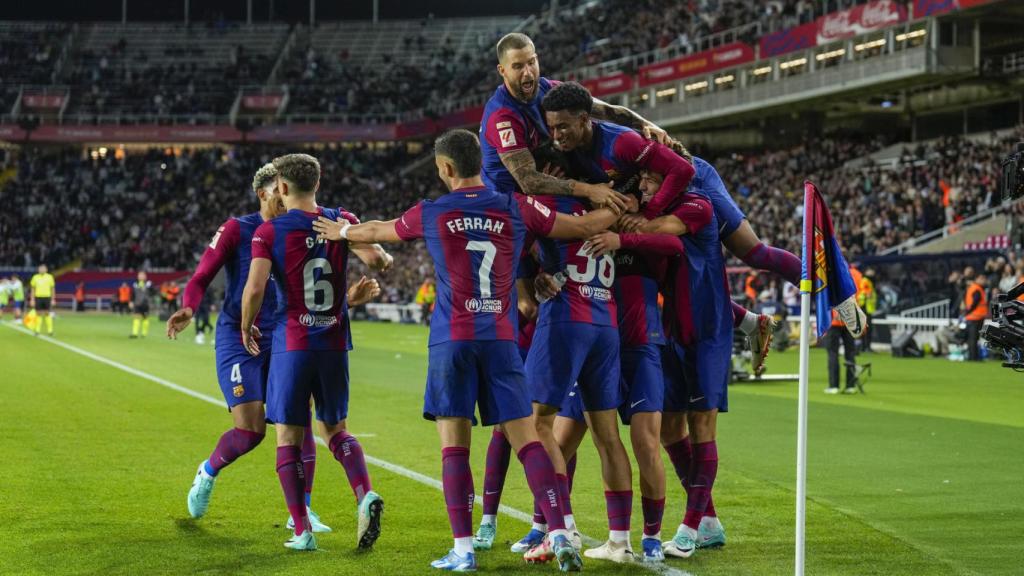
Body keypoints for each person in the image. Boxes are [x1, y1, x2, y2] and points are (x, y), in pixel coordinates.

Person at [313, 129, 626, 572]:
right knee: (528, 440)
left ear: (444, 168)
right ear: (479, 162)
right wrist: (616, 208)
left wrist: (342, 230)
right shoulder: (514, 205)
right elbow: (579, 226)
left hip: (453, 340)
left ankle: (463, 550)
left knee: (454, 448)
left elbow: (379, 230)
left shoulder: (432, 211)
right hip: (500, 338)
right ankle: (560, 532)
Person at [539, 80, 777, 373]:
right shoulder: (572, 151)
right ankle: (749, 321)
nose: (556, 135)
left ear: (583, 119)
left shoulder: (620, 141)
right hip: (643, 198)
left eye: (562, 127)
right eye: (552, 128)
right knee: (666, 279)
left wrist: (646, 214)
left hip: (688, 183)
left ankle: (830, 294)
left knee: (753, 253)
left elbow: (682, 168)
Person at [240, 153, 392, 552]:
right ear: (318, 184)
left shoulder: (269, 232)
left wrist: (246, 323)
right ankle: (364, 495)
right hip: (334, 343)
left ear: (283, 188)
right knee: (336, 430)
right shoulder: (339, 219)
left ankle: (303, 531)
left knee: (288, 438)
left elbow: (255, 288)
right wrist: (353, 239)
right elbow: (379, 259)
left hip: (292, 344)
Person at [168, 163, 325, 530]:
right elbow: (203, 273)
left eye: (287, 192)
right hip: (238, 338)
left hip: (286, 334)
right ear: (263, 194)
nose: (285, 200)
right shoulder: (237, 228)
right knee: (251, 430)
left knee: (298, 419)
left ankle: (301, 512)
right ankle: (207, 471)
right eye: (278, 193)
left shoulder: (296, 227)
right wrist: (189, 306)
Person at [620, 174, 732, 558]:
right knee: (670, 430)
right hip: (673, 333)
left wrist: (622, 227)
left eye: (651, 180)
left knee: (702, 426)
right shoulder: (664, 211)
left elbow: (665, 232)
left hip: (706, 334)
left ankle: (688, 528)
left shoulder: (696, 205)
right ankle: (710, 522)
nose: (645, 187)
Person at [824, 309, 858, 394]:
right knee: (850, 353)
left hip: (834, 320)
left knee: (832, 353)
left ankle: (834, 386)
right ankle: (850, 386)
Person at [963, 272, 988, 361]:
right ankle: (973, 358)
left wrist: (966, 312)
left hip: (974, 317)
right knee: (973, 339)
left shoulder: (974, 288)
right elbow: (975, 302)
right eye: (982, 278)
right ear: (976, 279)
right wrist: (967, 312)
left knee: (973, 339)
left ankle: (973, 357)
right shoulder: (977, 289)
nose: (984, 280)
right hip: (975, 317)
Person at [29, 264, 56, 336]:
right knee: (38, 313)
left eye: (43, 268)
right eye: (40, 269)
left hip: (47, 297)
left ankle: (50, 330)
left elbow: (52, 288)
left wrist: (53, 299)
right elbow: (33, 289)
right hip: (38, 297)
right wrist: (32, 299)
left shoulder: (50, 277)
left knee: (47, 313)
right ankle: (37, 330)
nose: (42, 270)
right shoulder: (35, 277)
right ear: (38, 270)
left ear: (46, 269)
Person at [129, 271, 154, 338]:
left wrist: (149, 290)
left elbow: (153, 292)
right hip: (137, 303)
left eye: (142, 275)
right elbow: (132, 294)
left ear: (145, 276)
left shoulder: (149, 283)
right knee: (136, 317)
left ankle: (144, 334)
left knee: (145, 318)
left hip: (145, 304)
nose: (140, 276)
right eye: (139, 275)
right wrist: (131, 301)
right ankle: (135, 333)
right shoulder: (135, 284)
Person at [858, 268, 878, 350]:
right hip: (865, 307)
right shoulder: (866, 280)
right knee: (867, 328)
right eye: (870, 271)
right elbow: (867, 293)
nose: (872, 273)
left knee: (865, 328)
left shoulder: (868, 281)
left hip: (866, 307)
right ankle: (866, 347)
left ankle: (864, 347)